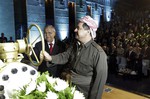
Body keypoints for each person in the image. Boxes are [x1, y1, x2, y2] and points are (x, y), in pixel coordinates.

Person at [41, 16, 108, 99]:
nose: (75, 30)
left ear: (87, 31)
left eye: (78, 28)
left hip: (84, 93)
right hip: (70, 88)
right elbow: (65, 56)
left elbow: (99, 83)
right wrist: (50, 58)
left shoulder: (98, 53)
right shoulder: (75, 45)